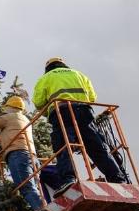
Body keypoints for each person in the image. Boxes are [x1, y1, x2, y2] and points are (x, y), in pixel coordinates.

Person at [32, 57, 126, 197]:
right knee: (96, 147)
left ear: (48, 68)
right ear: (63, 64)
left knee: (65, 146)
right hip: (84, 111)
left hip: (61, 112)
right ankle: (118, 178)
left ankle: (69, 179)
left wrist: (49, 113)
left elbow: (39, 103)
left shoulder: (45, 78)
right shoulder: (78, 74)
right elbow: (92, 97)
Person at [0, 96, 44, 211]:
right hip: (31, 156)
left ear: (10, 107)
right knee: (34, 187)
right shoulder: (24, 119)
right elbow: (10, 137)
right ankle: (43, 207)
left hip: (18, 155)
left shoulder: (8, 117)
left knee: (26, 187)